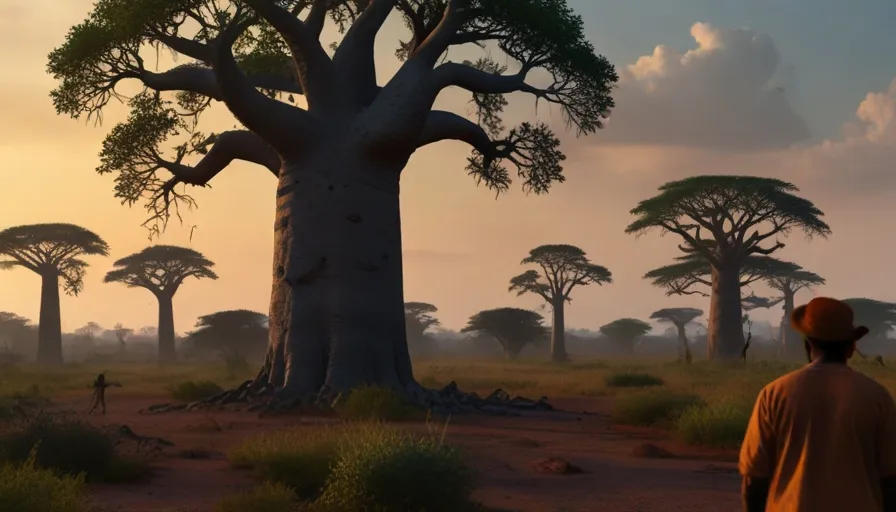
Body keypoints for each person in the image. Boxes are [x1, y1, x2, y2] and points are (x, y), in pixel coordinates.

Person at [739, 297, 896, 511]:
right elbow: (890, 480)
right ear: (851, 346)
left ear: (807, 344)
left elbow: (754, 479)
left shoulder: (774, 394)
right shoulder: (877, 397)